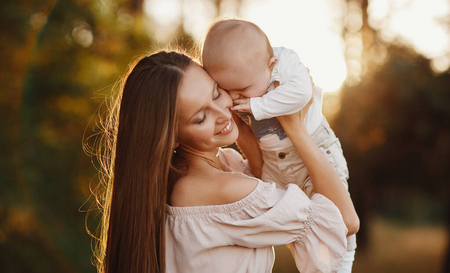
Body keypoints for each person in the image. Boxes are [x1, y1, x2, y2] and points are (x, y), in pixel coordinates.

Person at [94, 50, 359, 273]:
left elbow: (268, 182)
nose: (222, 113)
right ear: (171, 138)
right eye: (200, 118)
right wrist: (296, 128)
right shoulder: (221, 188)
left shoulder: (214, 168)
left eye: (217, 94)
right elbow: (344, 221)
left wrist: (243, 133)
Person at [202, 19, 357, 271]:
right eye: (225, 90)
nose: (235, 98)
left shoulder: (285, 64)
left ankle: (344, 264)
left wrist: (257, 106)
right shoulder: (242, 80)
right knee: (304, 232)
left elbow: (301, 94)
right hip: (274, 162)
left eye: (242, 89)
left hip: (313, 152)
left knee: (336, 223)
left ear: (270, 65)